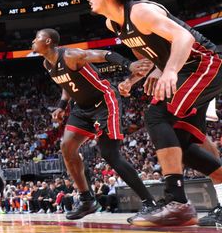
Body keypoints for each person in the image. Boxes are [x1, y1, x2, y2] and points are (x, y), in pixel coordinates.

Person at [87, 0, 222, 226]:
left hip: (204, 65)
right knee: (184, 146)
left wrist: (169, 70)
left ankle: (177, 202)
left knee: (157, 114)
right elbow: (149, 56)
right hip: (185, 70)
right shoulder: (113, 24)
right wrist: (133, 79)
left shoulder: (140, 12)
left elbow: (184, 37)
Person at [32, 28, 157, 222]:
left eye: (36, 38)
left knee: (109, 154)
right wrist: (61, 106)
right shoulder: (46, 63)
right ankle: (87, 200)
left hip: (104, 102)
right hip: (81, 108)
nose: (33, 41)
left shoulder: (71, 55)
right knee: (67, 147)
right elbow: (66, 85)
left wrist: (128, 64)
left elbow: (103, 54)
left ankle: (150, 203)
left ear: (48, 41)